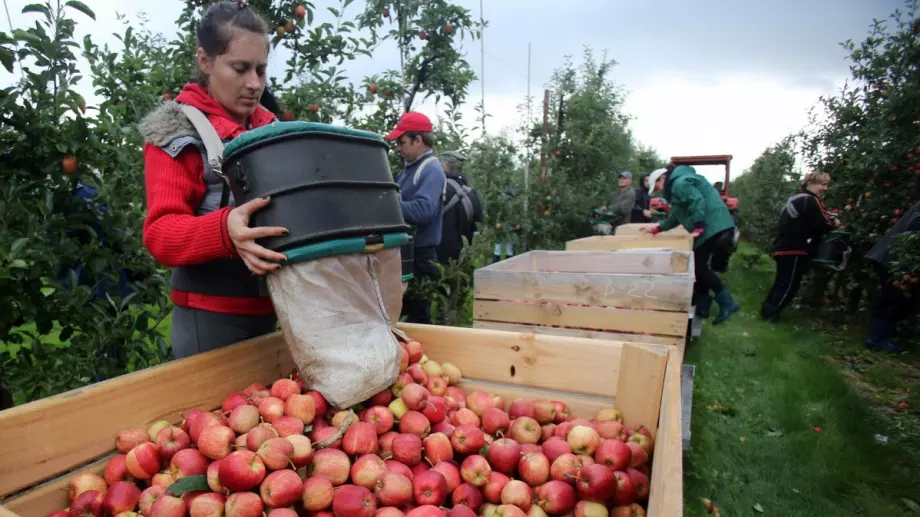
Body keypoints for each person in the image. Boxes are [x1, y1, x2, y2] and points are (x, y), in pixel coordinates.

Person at [139, 0, 289, 359]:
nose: (254, 84)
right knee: (212, 414)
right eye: (240, 68)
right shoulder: (176, 133)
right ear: (205, 61)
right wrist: (224, 230)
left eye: (261, 70)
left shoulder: (273, 130)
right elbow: (160, 234)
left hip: (277, 309)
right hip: (210, 317)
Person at [644, 164, 740, 325]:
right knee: (697, 264)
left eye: (658, 186)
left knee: (697, 266)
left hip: (713, 224)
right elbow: (676, 216)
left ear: (663, 178)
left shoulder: (679, 183)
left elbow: (697, 201)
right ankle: (702, 307)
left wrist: (698, 225)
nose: (659, 190)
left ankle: (727, 302)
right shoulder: (677, 187)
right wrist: (657, 229)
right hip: (711, 225)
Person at [385, 111, 446, 324]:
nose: (399, 148)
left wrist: (386, 206)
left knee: (419, 317)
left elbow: (423, 210)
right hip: (405, 253)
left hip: (421, 256)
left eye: (402, 142)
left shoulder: (431, 170)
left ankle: (422, 356)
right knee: (402, 315)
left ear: (418, 140)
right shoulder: (406, 172)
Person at [760, 171, 838, 322]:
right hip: (794, 248)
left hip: (783, 247)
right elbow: (823, 224)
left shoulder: (797, 199)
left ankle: (767, 310)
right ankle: (771, 315)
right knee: (789, 284)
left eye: (827, 185)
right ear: (810, 184)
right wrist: (835, 224)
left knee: (782, 282)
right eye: (822, 184)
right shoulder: (810, 200)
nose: (825, 188)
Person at [863, 201, 920, 352]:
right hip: (893, 259)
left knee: (897, 300)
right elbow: (915, 223)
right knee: (895, 299)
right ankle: (877, 339)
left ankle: (879, 337)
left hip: (893, 258)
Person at [436, 150, 484, 265]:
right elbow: (477, 226)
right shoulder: (472, 194)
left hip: (437, 259)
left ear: (444, 166)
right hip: (461, 260)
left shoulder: (438, 189)